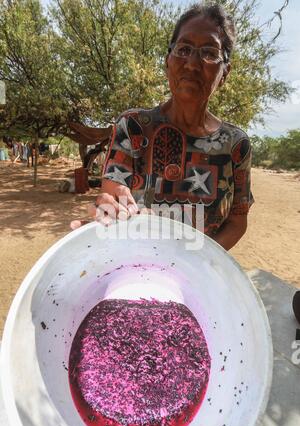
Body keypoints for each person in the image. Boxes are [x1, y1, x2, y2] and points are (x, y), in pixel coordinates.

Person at [72, 3, 254, 251]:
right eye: (183, 49)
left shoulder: (236, 145)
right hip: (137, 265)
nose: (192, 63)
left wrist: (202, 264)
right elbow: (114, 193)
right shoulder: (133, 126)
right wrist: (113, 206)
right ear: (168, 61)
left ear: (225, 73)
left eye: (209, 53)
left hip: (197, 277)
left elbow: (237, 221)